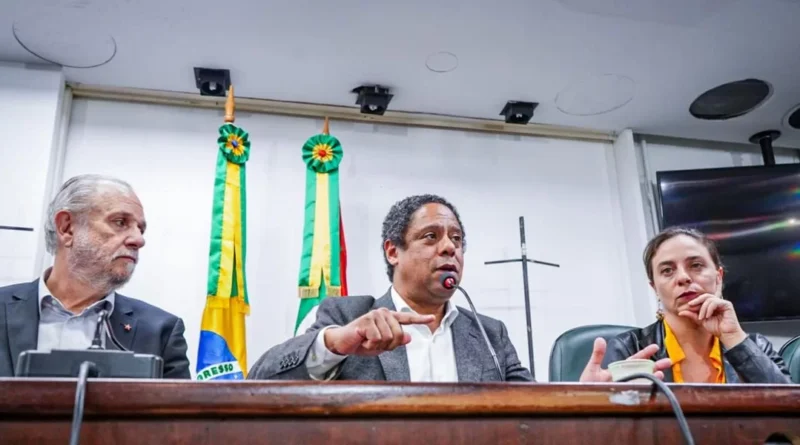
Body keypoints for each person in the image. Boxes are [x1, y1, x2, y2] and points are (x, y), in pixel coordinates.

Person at [248, 194, 668, 382]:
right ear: (393, 251)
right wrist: (335, 343)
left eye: (457, 239)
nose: (450, 247)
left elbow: (530, 412)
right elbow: (262, 379)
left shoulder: (489, 333)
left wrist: (582, 397)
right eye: (431, 237)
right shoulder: (346, 315)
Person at [0, 174, 190, 379]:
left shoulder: (160, 332)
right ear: (67, 228)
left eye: (140, 229)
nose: (138, 240)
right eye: (120, 222)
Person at [580, 226, 790, 384]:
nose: (683, 277)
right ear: (654, 287)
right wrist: (589, 401)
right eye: (667, 271)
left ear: (718, 277)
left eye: (696, 265)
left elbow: (791, 412)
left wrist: (734, 338)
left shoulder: (756, 346)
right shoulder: (629, 348)